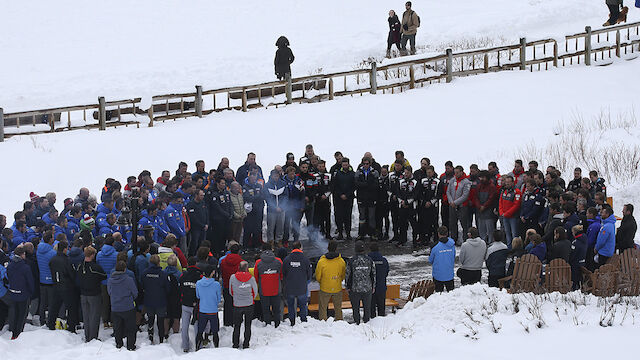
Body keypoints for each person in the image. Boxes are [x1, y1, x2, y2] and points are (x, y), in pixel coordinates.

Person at [77, 246, 107, 342]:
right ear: (93, 255)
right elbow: (104, 276)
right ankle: (93, 337)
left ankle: (87, 336)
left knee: (86, 316)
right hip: (94, 294)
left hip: (83, 294)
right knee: (94, 316)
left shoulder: (79, 266)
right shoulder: (95, 267)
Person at [48, 239, 79, 332]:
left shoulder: (53, 259)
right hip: (67, 287)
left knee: (54, 307)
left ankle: (51, 324)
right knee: (71, 307)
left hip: (56, 285)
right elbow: (71, 274)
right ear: (65, 249)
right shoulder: (67, 260)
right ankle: (71, 326)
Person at [107, 261, 138, 351]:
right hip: (128, 307)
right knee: (131, 328)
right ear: (125, 269)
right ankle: (131, 345)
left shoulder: (110, 280)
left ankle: (118, 344)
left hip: (115, 307)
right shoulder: (129, 280)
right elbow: (135, 293)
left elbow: (109, 292)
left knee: (117, 327)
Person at [6, 246, 35, 339]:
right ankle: (18, 334)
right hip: (23, 294)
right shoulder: (25, 267)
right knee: (22, 315)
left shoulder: (10, 265)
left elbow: (8, 277)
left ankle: (13, 332)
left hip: (13, 292)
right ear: (22, 254)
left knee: (15, 313)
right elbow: (30, 281)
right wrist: (31, 292)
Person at [345, 241, 376, 325]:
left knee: (355, 307)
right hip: (367, 288)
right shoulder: (369, 260)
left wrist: (347, 287)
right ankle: (366, 321)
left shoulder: (352, 261)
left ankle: (357, 321)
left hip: (355, 289)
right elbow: (373, 274)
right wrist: (373, 286)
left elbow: (348, 275)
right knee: (367, 307)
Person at [229, 261, 258, 349]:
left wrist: (237, 297)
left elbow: (231, 291)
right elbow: (255, 291)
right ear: (247, 268)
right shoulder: (251, 278)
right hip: (249, 304)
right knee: (247, 325)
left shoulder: (233, 277)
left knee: (237, 325)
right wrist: (250, 298)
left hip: (237, 304)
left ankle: (235, 344)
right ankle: (246, 344)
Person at [142, 254, 170, 344]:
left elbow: (142, 285)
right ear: (159, 262)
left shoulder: (144, 273)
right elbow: (168, 288)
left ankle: (151, 337)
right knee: (160, 321)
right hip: (161, 301)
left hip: (149, 300)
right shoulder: (163, 274)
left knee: (150, 319)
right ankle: (161, 339)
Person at [315, 240, 346, 321]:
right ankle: (339, 321)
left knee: (323, 308)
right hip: (337, 287)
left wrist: (321, 282)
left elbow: (318, 276)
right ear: (336, 248)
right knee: (338, 308)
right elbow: (343, 275)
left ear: (328, 248)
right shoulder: (341, 261)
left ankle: (323, 322)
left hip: (325, 288)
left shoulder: (321, 261)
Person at [282, 241, 312, 325]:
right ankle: (303, 321)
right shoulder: (305, 259)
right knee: (303, 305)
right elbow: (309, 274)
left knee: (291, 306)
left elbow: (283, 273)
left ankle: (292, 321)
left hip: (290, 288)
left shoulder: (287, 259)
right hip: (302, 287)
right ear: (300, 248)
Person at [254, 243, 283, 327]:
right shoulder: (278, 261)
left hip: (264, 290)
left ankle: (268, 324)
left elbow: (256, 278)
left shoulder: (258, 263)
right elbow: (281, 275)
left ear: (262, 250)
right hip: (276, 289)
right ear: (272, 249)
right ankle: (277, 324)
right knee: (276, 310)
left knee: (265, 310)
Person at [195, 263, 221, 350]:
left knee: (200, 331)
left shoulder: (198, 283)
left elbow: (198, 296)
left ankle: (197, 348)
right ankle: (216, 348)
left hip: (202, 310)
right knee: (215, 332)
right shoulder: (216, 284)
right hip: (213, 311)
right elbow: (218, 299)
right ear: (212, 272)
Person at [179, 257, 203, 352]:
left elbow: (180, 286)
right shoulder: (200, 275)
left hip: (185, 303)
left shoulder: (183, 275)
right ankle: (198, 346)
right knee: (197, 325)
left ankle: (185, 346)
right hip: (196, 304)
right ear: (196, 263)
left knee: (185, 326)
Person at [206, 177, 233, 256]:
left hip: (227, 219)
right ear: (218, 184)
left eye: (224, 183)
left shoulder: (227, 193)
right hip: (218, 219)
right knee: (218, 236)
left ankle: (222, 249)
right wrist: (226, 214)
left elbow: (230, 204)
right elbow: (217, 207)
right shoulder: (215, 194)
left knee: (225, 235)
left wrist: (231, 213)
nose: (224, 185)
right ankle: (216, 251)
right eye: (222, 183)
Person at [355, 157, 379, 239]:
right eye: (364, 164)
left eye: (367, 164)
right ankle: (361, 233)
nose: (366, 165)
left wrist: (365, 184)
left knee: (371, 216)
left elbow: (376, 185)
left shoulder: (374, 172)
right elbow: (356, 184)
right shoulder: (358, 172)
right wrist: (366, 184)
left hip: (371, 198)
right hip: (361, 198)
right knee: (362, 216)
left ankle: (372, 233)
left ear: (370, 164)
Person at [447, 165, 472, 245]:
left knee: (464, 224)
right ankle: (453, 239)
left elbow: (465, 195)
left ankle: (465, 240)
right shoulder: (452, 180)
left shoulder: (466, 182)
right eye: (455, 173)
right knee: (453, 223)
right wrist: (451, 202)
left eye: (457, 173)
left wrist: (455, 202)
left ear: (461, 172)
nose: (456, 174)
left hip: (462, 206)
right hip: (452, 206)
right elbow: (448, 192)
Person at [220, 242, 243, 327]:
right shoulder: (241, 262)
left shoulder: (223, 261)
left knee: (227, 304)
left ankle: (227, 322)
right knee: (238, 304)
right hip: (238, 286)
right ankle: (237, 321)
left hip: (227, 285)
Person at [36, 230, 56, 326]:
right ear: (50, 239)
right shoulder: (52, 253)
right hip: (51, 281)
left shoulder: (38, 250)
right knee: (52, 303)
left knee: (43, 302)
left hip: (42, 279)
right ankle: (50, 321)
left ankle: (41, 319)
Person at [332, 158, 356, 240]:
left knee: (347, 216)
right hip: (339, 198)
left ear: (348, 164)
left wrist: (347, 194)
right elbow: (335, 186)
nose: (345, 166)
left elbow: (354, 186)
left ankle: (348, 234)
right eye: (343, 165)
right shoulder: (338, 173)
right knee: (339, 216)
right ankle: (340, 233)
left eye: (346, 164)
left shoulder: (353, 174)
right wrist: (341, 194)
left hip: (349, 198)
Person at [471, 171, 498, 243]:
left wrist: (484, 206)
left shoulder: (492, 187)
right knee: (481, 229)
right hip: (480, 211)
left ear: (487, 177)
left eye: (483, 177)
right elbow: (475, 197)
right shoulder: (479, 186)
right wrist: (479, 206)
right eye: (480, 177)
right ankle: (482, 244)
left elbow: (491, 198)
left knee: (490, 230)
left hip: (488, 211)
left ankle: (490, 243)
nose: (481, 179)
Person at [97, 236, 118, 327]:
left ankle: (105, 321)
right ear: (113, 244)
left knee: (105, 302)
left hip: (102, 280)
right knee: (113, 301)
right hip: (113, 281)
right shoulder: (116, 254)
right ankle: (113, 320)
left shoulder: (99, 254)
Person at [428, 226, 456, 292]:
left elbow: (430, 260)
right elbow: (453, 256)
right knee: (451, 294)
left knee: (438, 295)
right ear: (447, 233)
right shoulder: (452, 245)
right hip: (449, 274)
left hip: (438, 275)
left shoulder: (434, 246)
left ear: (438, 234)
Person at [242, 170, 265, 249]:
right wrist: (256, 197)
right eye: (252, 177)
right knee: (248, 229)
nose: (254, 179)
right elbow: (247, 197)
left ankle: (256, 246)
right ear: (249, 177)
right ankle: (245, 246)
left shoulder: (259, 186)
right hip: (249, 212)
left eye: (255, 177)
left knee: (257, 229)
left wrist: (255, 198)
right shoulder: (245, 187)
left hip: (258, 211)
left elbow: (262, 196)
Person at [499, 175, 522, 247]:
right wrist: (501, 212)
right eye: (506, 182)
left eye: (509, 182)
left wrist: (507, 213)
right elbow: (500, 202)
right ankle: (509, 250)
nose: (507, 184)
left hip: (513, 217)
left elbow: (516, 205)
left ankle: (515, 250)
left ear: (513, 182)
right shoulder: (504, 191)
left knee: (514, 234)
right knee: (507, 234)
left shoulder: (517, 192)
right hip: (505, 217)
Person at [367, 242, 389, 318]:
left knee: (371, 308)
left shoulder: (367, 261)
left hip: (370, 288)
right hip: (381, 287)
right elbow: (386, 272)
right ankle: (381, 323)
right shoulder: (384, 260)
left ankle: (373, 323)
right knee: (381, 308)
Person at [186, 189, 208, 257]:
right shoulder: (191, 204)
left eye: (203, 195)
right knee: (194, 243)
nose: (202, 197)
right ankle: (191, 257)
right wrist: (202, 225)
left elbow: (207, 213)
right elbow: (193, 218)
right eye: (201, 195)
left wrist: (207, 223)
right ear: (196, 195)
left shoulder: (203, 203)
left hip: (204, 228)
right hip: (195, 228)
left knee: (202, 244)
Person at [569, 225, 588, 290]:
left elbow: (573, 254)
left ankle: (574, 288)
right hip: (582, 260)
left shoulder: (576, 242)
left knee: (575, 277)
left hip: (575, 262)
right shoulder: (584, 239)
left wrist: (569, 260)